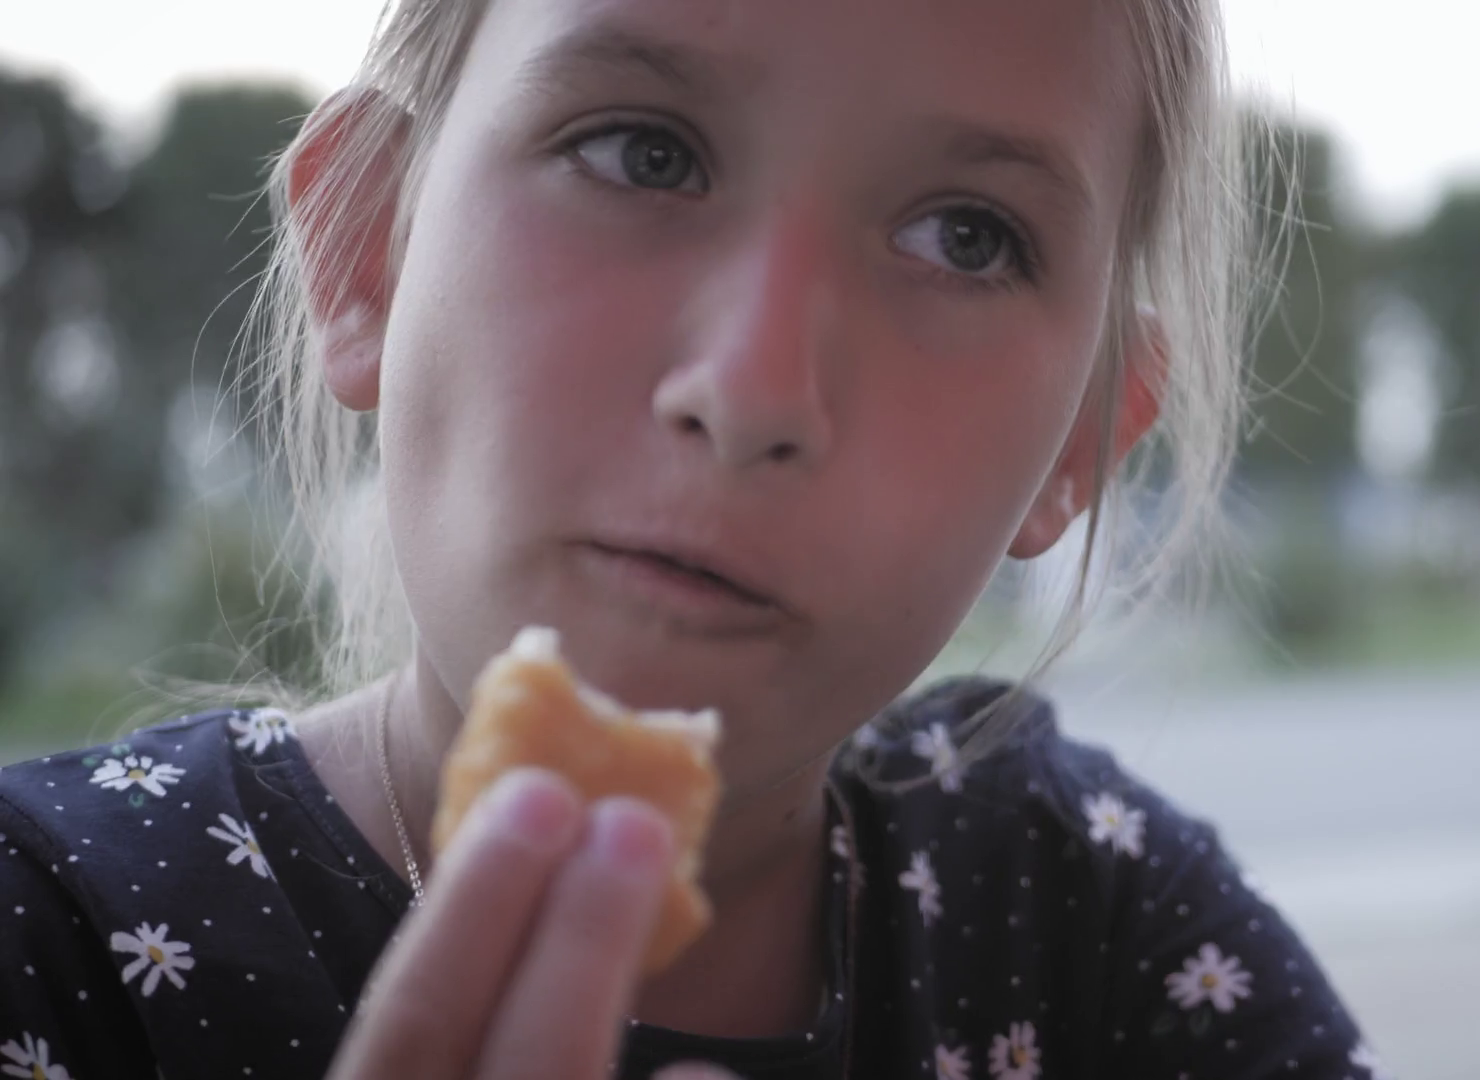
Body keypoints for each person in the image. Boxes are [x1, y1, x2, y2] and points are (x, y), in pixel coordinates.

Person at [0, 1, 1388, 1077]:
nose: (754, 390)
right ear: (370, 252)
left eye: (968, 238)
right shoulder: (51, 941)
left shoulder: (1097, 932)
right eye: (642, 152)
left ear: (1079, 445)